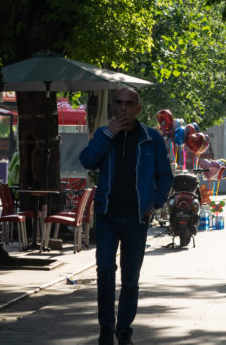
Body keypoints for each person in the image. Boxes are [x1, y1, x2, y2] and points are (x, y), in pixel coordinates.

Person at [79, 87, 173, 345]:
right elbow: (87, 160)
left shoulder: (151, 138)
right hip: (107, 216)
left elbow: (165, 176)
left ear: (138, 108)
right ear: (112, 107)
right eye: (119, 103)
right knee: (105, 271)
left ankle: (124, 331)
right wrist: (109, 133)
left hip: (136, 218)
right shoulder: (104, 134)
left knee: (130, 279)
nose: (123, 108)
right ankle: (106, 330)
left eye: (129, 103)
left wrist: (154, 202)